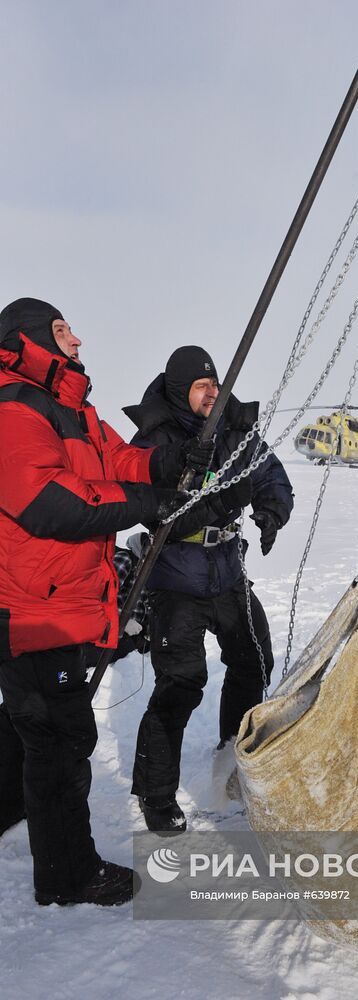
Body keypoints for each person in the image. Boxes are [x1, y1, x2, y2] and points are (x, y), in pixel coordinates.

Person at [0, 298, 226, 906]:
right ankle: (67, 875)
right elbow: (53, 501)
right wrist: (148, 505)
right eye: (62, 329)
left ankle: (22, 822)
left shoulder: (71, 407)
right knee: (59, 741)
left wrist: (167, 462)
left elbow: (118, 458)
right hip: (31, 610)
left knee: (38, 727)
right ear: (31, 339)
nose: (76, 338)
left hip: (63, 601)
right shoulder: (14, 409)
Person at [124, 345, 294, 833]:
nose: (212, 393)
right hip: (175, 578)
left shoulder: (234, 431)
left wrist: (269, 511)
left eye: (215, 385)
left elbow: (271, 475)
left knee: (254, 657)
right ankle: (155, 794)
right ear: (180, 392)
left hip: (226, 572)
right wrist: (226, 499)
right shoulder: (153, 443)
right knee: (180, 682)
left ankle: (230, 755)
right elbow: (157, 512)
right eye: (202, 387)